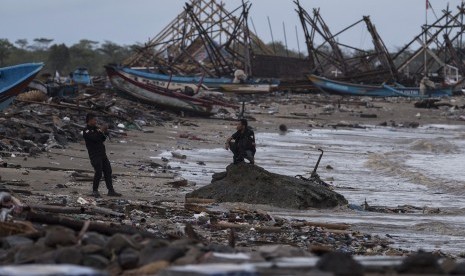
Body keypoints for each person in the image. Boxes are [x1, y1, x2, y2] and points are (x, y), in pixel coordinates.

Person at [83, 113, 121, 197]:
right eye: (94, 120)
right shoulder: (86, 131)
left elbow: (102, 139)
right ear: (90, 120)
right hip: (94, 155)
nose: (96, 121)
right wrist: (101, 131)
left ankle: (111, 190)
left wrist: (105, 131)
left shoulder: (96, 129)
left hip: (102, 154)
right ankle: (95, 190)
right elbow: (95, 139)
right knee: (98, 172)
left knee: (108, 171)